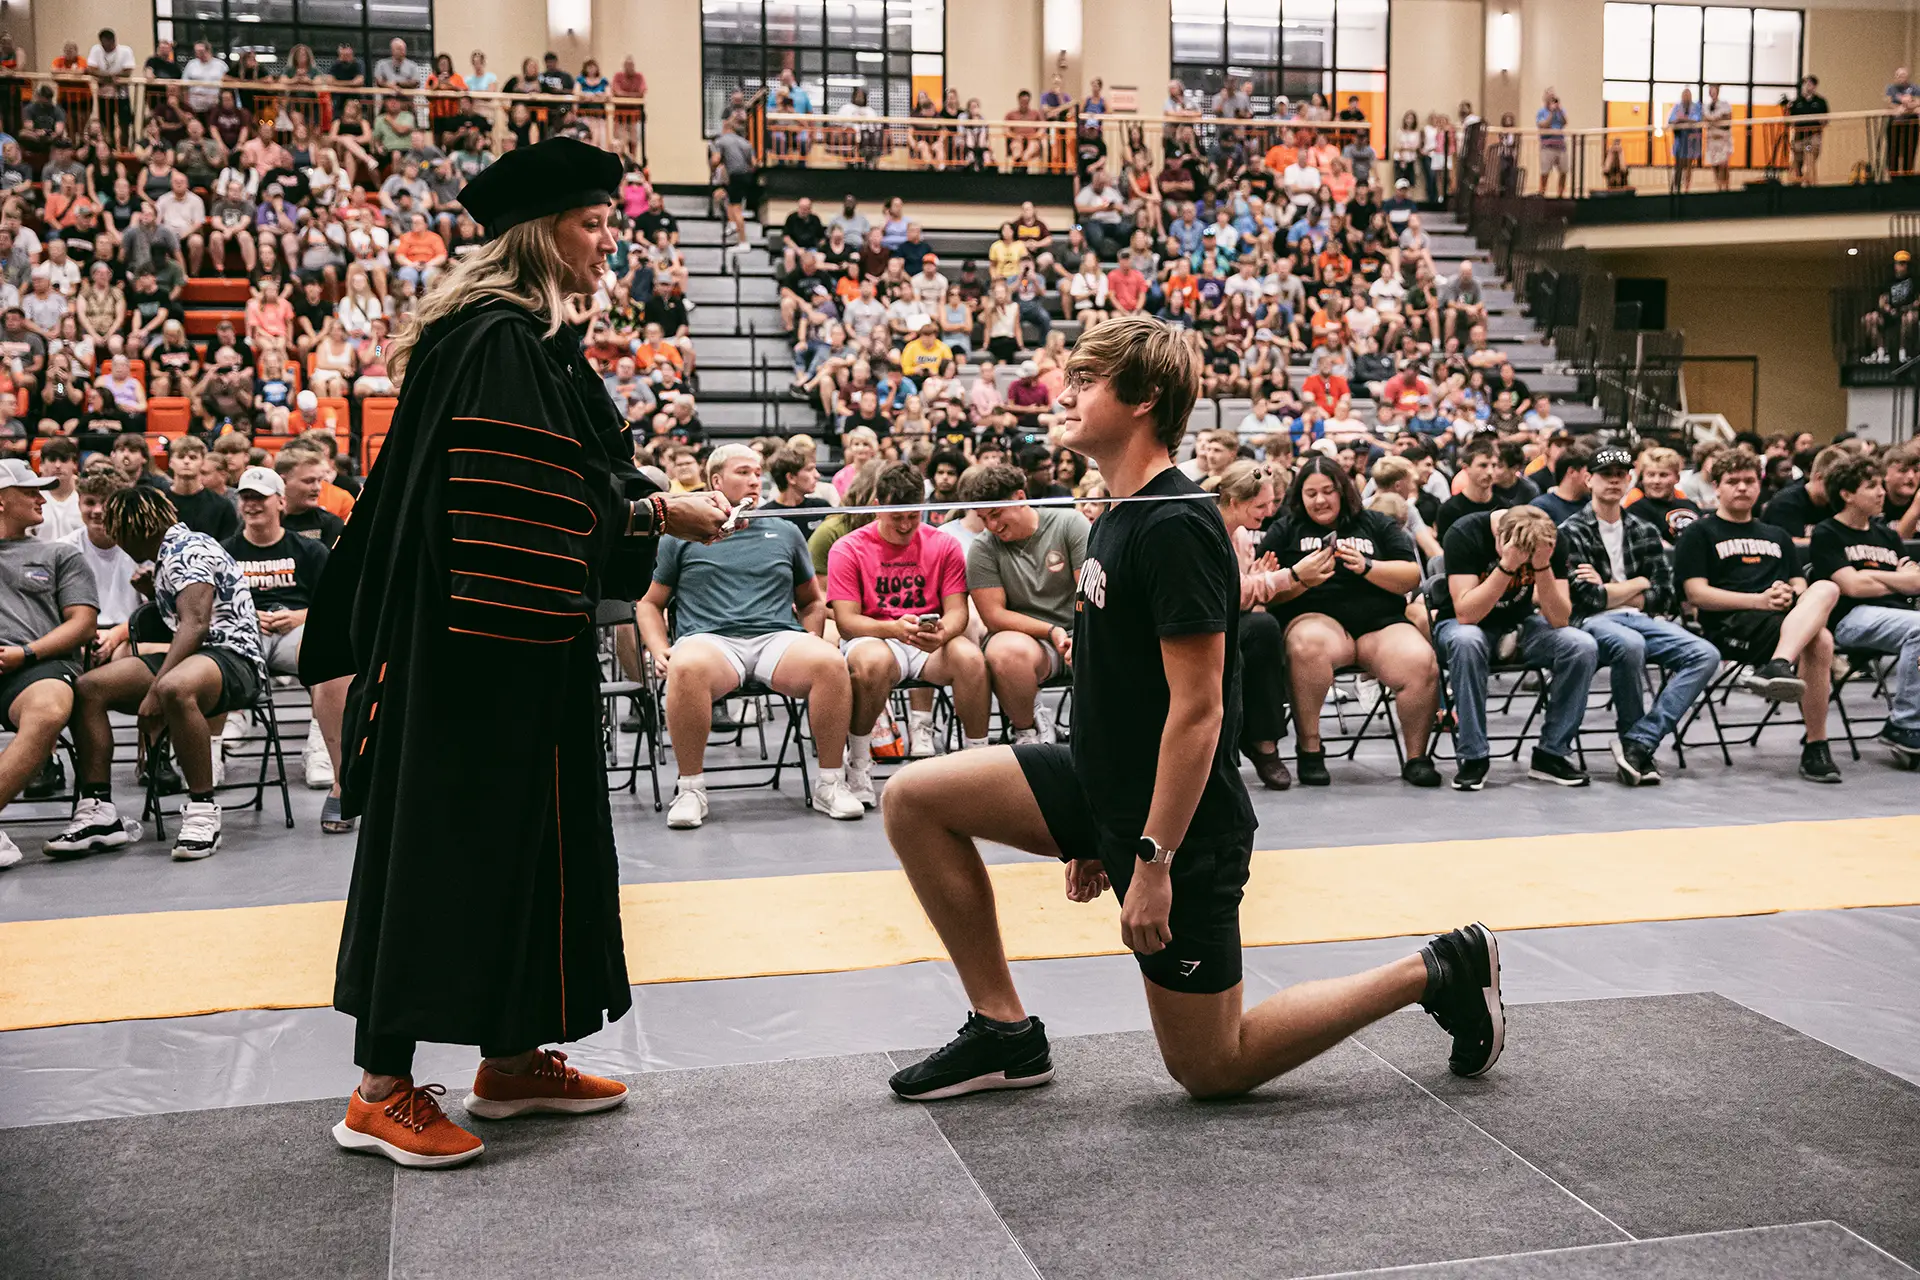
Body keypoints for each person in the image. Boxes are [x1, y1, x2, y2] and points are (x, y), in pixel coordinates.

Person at [878, 316, 1505, 1105]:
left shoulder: (1174, 524)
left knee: (1211, 1067)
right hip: (1107, 783)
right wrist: (1089, 823)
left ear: (1142, 399)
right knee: (913, 800)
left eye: (1085, 383)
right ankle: (1003, 1031)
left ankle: (1439, 968)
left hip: (1184, 825)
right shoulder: (1119, 511)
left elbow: (1201, 713)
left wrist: (1151, 861)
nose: (1063, 397)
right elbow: (1115, 683)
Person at [298, 138, 731, 1169]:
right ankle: (379, 1087)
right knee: (443, 851)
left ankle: (509, 1056)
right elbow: (513, 506)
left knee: (529, 848)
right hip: (470, 653)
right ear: (541, 233)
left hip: (514, 646)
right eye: (592, 225)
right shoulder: (496, 340)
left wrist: (637, 497)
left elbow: (563, 479)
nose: (607, 243)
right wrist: (657, 506)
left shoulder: (523, 342)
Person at [637, 445, 865, 828]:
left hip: (775, 637)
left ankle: (830, 783)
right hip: (711, 641)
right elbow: (649, 603)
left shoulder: (785, 531)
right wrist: (660, 649)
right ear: (715, 481)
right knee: (687, 666)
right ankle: (690, 788)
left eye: (758, 472)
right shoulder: (683, 534)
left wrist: (810, 637)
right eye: (743, 472)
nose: (755, 480)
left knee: (829, 662)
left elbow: (811, 601)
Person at [46, 487, 265, 863]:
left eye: (120, 533)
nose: (120, 544)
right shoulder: (167, 558)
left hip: (235, 658)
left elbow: (195, 626)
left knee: (175, 688)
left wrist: (154, 692)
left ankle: (202, 812)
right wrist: (154, 593)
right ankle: (99, 810)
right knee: (89, 688)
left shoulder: (188, 550)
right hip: (199, 657)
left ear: (135, 530)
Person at [1259, 455, 1441, 786]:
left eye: (1328, 491)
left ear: (1343, 491)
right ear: (1299, 496)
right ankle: (1310, 749)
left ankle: (1417, 757)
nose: (1319, 500)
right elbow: (1266, 591)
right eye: (1310, 493)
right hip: (1317, 620)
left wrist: (1368, 567)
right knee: (1306, 645)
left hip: (1380, 624)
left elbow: (1411, 575)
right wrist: (1302, 579)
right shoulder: (1286, 529)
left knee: (1420, 659)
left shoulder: (1376, 523)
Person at [1674, 449, 1841, 783]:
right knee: (1820, 639)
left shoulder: (1775, 535)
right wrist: (1758, 600)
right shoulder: (1700, 533)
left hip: (1781, 619)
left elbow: (1798, 584)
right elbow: (1696, 595)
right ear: (1716, 487)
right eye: (1732, 481)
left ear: (1759, 486)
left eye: (1749, 481)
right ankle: (1815, 746)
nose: (1742, 488)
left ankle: (1778, 665)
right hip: (1731, 624)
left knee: (1825, 588)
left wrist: (1786, 595)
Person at [1558, 447, 1721, 788]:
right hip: (1591, 623)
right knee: (1629, 644)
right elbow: (1586, 598)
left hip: (1640, 618)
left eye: (1621, 473)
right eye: (1605, 474)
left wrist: (1613, 588)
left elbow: (1665, 594)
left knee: (1706, 654)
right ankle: (1636, 748)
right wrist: (1639, 583)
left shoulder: (1643, 530)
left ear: (1630, 478)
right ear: (1589, 479)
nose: (1614, 480)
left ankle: (1639, 741)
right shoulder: (1570, 531)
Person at [828, 461, 991, 803]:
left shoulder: (943, 544)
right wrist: (892, 629)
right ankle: (858, 764)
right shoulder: (848, 548)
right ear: (878, 507)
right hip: (875, 634)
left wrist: (943, 633)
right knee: (871, 662)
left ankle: (980, 763)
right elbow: (846, 621)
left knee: (970, 659)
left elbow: (958, 611)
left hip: (926, 639)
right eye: (896, 517)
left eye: (912, 517)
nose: (904, 526)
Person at [222, 466, 354, 822]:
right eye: (246, 498)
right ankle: (213, 744)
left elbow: (337, 606)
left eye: (260, 498)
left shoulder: (309, 550)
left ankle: (325, 749)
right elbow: (213, 607)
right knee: (210, 653)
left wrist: (300, 616)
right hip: (242, 633)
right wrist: (247, 617)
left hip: (295, 630)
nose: (252, 505)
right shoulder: (224, 552)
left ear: (280, 502)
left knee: (329, 655)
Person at [1435, 503, 1598, 790]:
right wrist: (1507, 566)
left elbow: (1560, 619)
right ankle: (1474, 756)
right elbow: (1466, 614)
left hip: (1521, 624)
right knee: (1467, 641)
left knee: (1580, 644)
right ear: (1500, 536)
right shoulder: (1464, 533)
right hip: (1464, 625)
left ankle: (1551, 754)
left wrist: (1543, 565)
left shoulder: (1550, 541)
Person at [0, 459, 99, 868]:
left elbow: (83, 623)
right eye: (29, 491)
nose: (41, 498)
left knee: (51, 708)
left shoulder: (60, 553)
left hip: (36, 665)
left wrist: (27, 653)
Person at [956, 464, 1087, 745]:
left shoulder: (1069, 523)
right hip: (1031, 640)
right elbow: (994, 616)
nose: (992, 526)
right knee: (1004, 652)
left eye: (996, 514)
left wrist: (1087, 635)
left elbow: (1088, 593)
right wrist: (1051, 631)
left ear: (1019, 497)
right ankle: (1027, 732)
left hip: (1083, 629)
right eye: (983, 518)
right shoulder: (983, 547)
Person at [1809, 455, 1920, 765]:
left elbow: (1916, 581)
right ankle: (1905, 725)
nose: (1881, 492)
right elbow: (1852, 588)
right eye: (1871, 487)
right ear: (1846, 494)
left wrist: (1871, 577)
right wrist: (1897, 581)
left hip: (1895, 615)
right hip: (1850, 618)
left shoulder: (1886, 535)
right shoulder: (1828, 533)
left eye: (1880, 485)